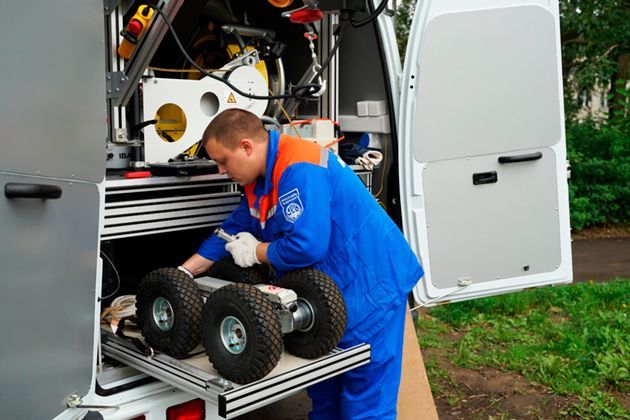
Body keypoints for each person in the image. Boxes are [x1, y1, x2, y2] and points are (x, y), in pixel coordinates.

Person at [179, 108, 423, 419]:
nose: (221, 170)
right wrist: (185, 271)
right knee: (325, 396)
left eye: (223, 161)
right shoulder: (260, 179)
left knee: (365, 404)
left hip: (371, 286)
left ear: (246, 146)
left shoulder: (299, 167)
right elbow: (232, 228)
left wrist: (258, 252)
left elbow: (308, 245)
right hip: (331, 297)